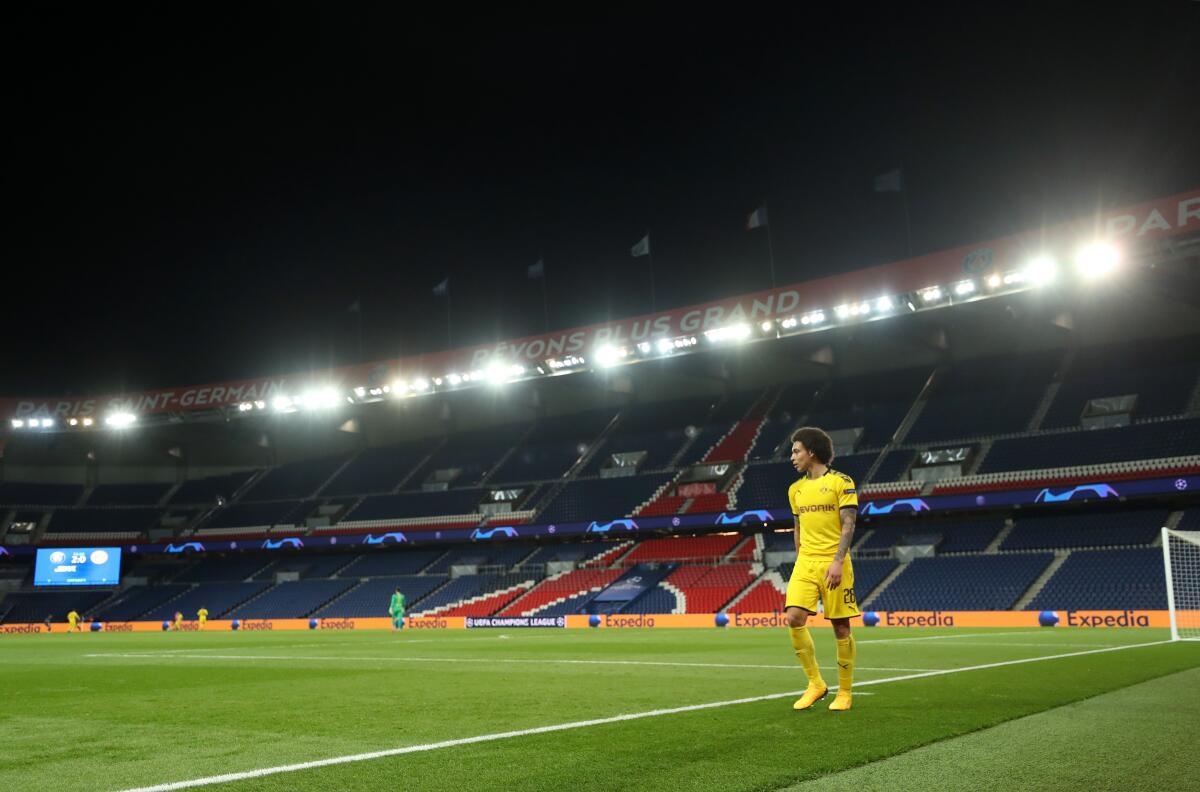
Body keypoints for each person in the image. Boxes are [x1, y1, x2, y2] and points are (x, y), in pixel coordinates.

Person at [784, 426, 859, 712]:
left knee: (840, 625)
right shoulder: (795, 489)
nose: (793, 457)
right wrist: (800, 559)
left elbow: (849, 524)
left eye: (796, 451)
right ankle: (815, 683)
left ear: (811, 452)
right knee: (793, 617)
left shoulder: (842, 482)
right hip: (805, 561)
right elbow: (798, 527)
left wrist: (838, 560)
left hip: (833, 559)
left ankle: (845, 691)